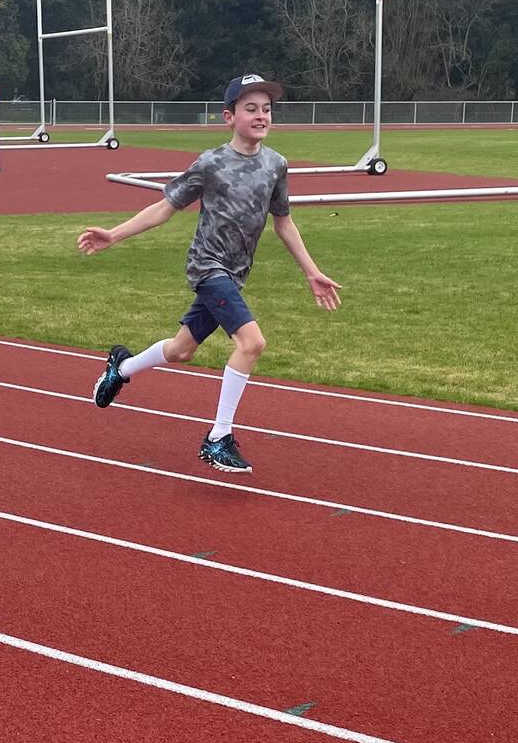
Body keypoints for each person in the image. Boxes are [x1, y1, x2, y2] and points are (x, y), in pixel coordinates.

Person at [79, 73, 340, 474]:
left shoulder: (276, 165)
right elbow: (165, 207)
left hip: (235, 274)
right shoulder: (211, 163)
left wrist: (312, 272)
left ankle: (121, 367)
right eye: (250, 109)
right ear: (229, 117)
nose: (261, 116)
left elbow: (283, 223)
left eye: (266, 109)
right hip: (207, 267)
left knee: (181, 350)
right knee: (252, 342)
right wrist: (114, 235)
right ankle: (218, 437)